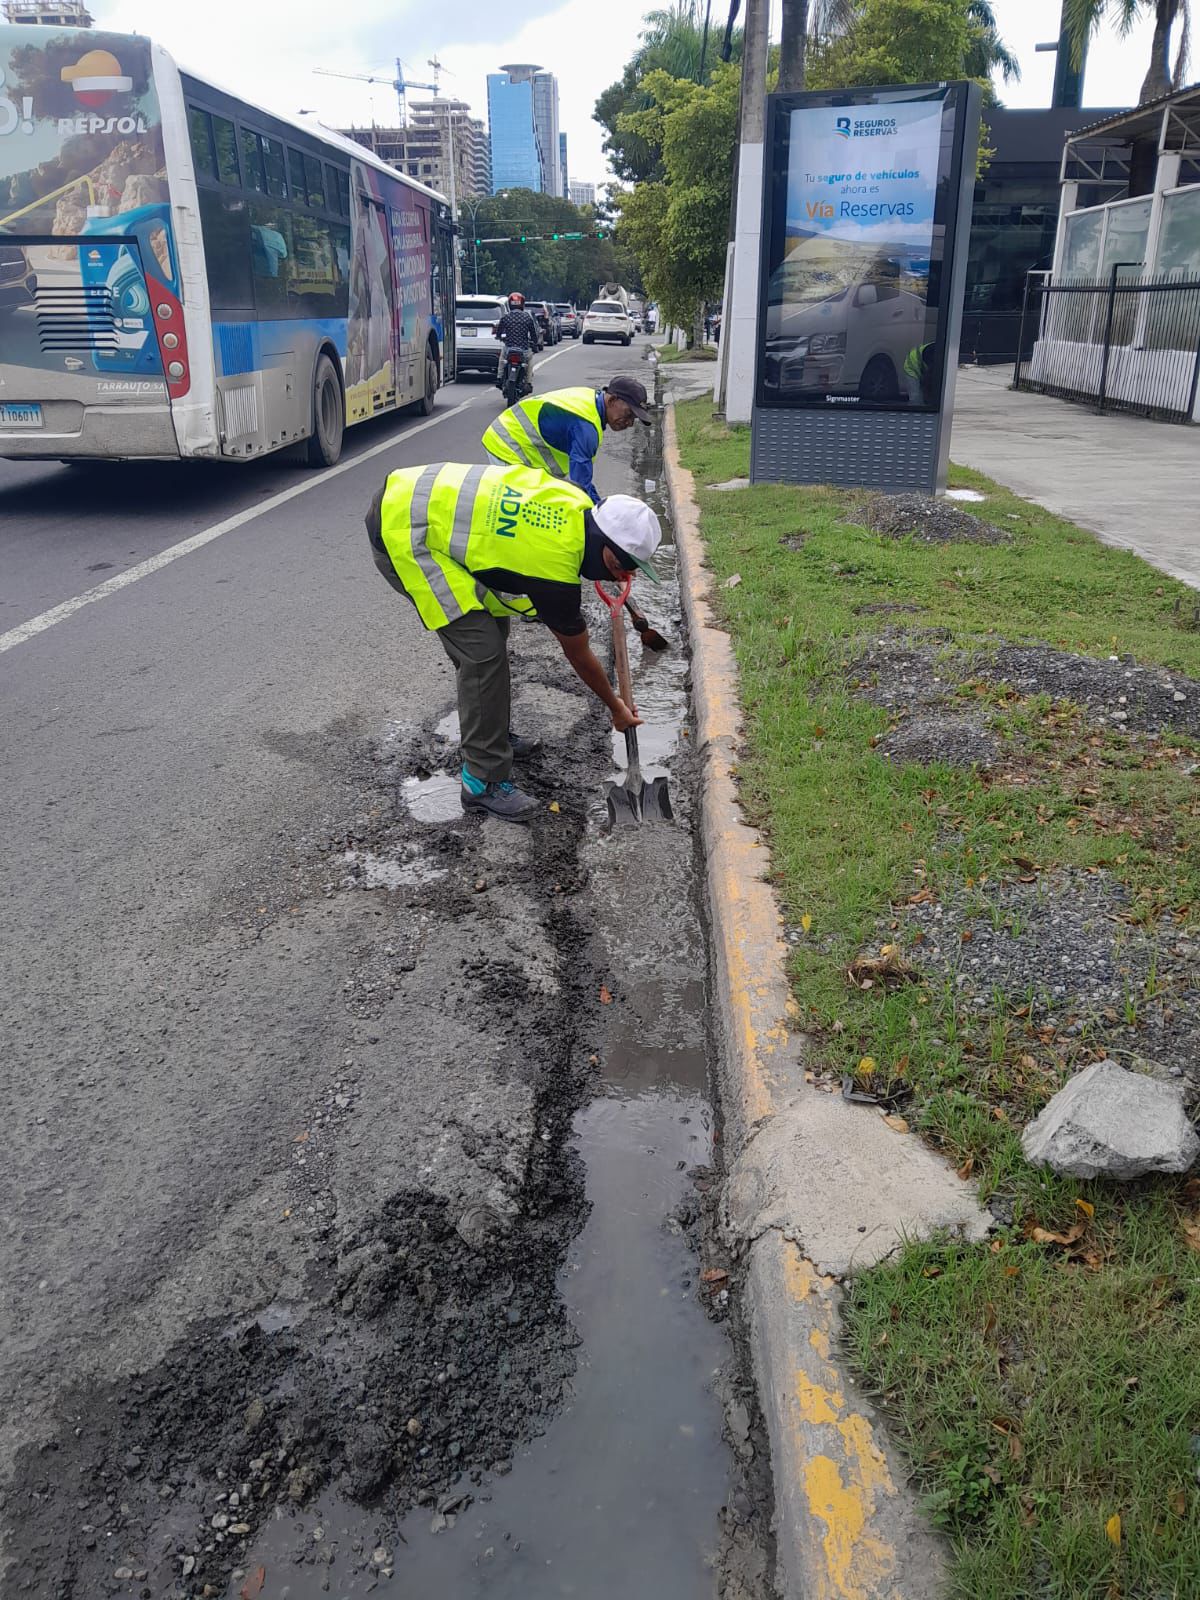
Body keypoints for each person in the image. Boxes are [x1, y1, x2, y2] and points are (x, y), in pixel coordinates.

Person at [366, 464, 662, 822]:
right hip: (405, 532)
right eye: (625, 568)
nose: (626, 578)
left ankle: (491, 736)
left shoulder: (579, 505)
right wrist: (615, 707)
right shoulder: (554, 568)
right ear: (608, 552)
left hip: (420, 499)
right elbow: (579, 654)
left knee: (495, 629)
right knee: (482, 654)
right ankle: (482, 781)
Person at [480, 377, 652, 505]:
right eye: (629, 414)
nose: (629, 423)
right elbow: (579, 488)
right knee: (518, 507)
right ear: (612, 400)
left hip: (523, 447)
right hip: (507, 445)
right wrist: (599, 516)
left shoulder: (591, 401)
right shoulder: (586, 427)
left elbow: (581, 480)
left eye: (634, 419)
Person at [491, 291, 540, 392]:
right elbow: (534, 334)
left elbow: (499, 331)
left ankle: (499, 378)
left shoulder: (506, 317)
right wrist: (534, 343)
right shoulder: (527, 317)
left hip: (509, 348)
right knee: (529, 362)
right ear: (522, 304)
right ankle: (528, 382)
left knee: (502, 359)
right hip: (524, 349)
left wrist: (499, 337)